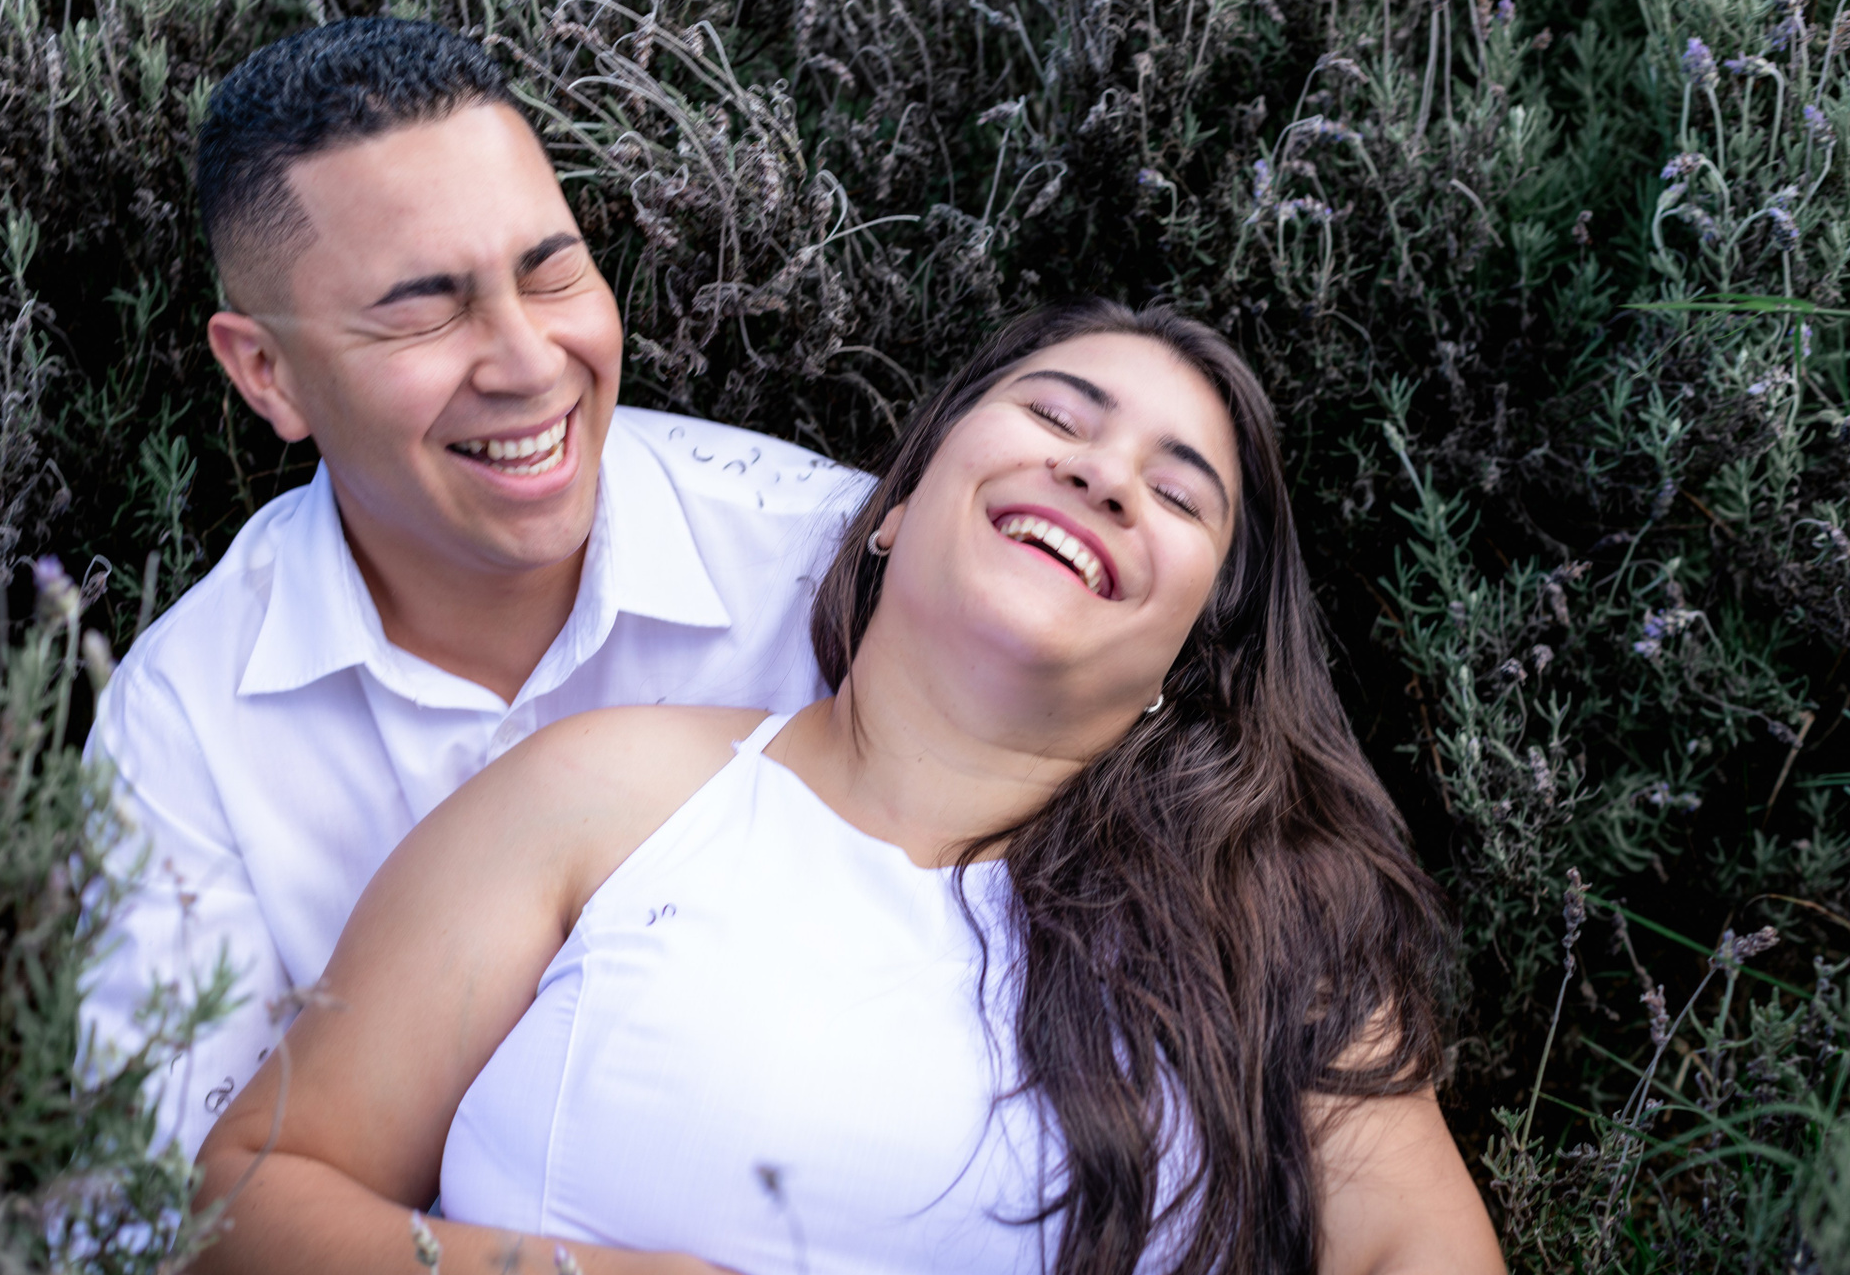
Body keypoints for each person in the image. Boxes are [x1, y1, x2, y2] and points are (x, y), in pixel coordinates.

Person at [191, 300, 1505, 1275]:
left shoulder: (1267, 929)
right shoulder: (606, 794)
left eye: (1176, 493)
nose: (1102, 474)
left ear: (1187, 659)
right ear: (896, 507)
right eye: (1057, 418)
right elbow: (246, 1198)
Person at [79, 17, 865, 1158]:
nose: (530, 361)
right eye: (423, 312)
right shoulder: (187, 727)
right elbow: (163, 1204)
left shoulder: (824, 563)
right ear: (267, 372)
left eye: (553, 272)